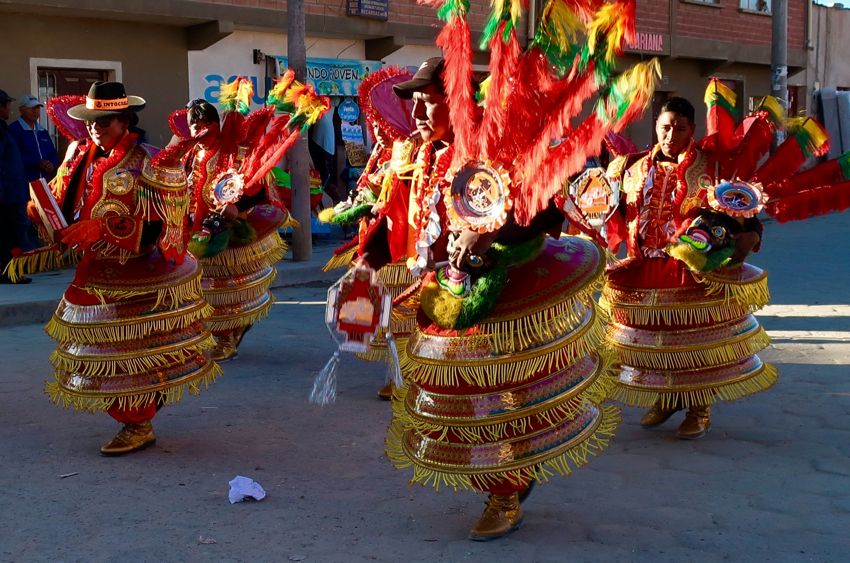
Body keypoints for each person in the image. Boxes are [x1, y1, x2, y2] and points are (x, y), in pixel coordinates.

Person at [362, 1, 658, 535]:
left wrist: (488, 235)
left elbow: (542, 214)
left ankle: (508, 490)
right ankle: (497, 482)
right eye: (420, 104)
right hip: (450, 291)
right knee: (460, 396)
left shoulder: (495, 151)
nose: (423, 112)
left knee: (506, 400)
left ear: (455, 102)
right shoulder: (424, 156)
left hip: (508, 294)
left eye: (431, 101)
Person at [15, 81, 221, 454]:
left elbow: (168, 224)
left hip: (138, 269)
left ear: (125, 121)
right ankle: (136, 417)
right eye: (92, 120)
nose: (96, 127)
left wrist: (107, 227)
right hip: (95, 268)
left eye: (105, 121)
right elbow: (64, 204)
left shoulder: (149, 160)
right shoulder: (80, 156)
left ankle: (138, 422)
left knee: (129, 352)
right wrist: (43, 216)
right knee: (99, 349)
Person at [602, 96, 772, 439]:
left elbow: (740, 211)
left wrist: (748, 235)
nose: (671, 135)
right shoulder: (628, 168)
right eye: (665, 127)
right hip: (642, 267)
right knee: (654, 343)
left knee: (693, 344)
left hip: (691, 269)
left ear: (691, 130)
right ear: (656, 126)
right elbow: (607, 210)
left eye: (679, 128)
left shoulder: (712, 169)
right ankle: (668, 398)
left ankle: (699, 408)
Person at [170, 76, 329, 361]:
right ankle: (214, 336)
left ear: (216, 124)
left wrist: (236, 209)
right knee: (205, 292)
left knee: (234, 293)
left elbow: (254, 186)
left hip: (235, 232)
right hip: (203, 232)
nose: (197, 128)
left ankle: (231, 336)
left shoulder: (236, 151)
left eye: (203, 122)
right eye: (193, 123)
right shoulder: (191, 153)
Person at [318, 66, 418, 399]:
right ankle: (401, 374)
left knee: (403, 318)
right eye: (371, 119)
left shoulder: (410, 153)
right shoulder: (383, 152)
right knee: (387, 318)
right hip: (378, 238)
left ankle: (406, 378)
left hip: (401, 246)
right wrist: (354, 207)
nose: (373, 125)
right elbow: (370, 191)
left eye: (378, 118)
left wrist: (372, 208)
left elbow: (396, 203)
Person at [0, 89, 31, 283]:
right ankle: (7, 272)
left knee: (11, 234)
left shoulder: (3, 129)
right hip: (6, 195)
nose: (9, 109)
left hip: (12, 193)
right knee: (7, 235)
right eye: (6, 104)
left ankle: (9, 271)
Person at [8, 95, 59, 182]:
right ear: (21, 110)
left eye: (37, 108)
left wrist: (52, 164)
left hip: (44, 182)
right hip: (23, 183)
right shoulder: (13, 130)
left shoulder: (43, 132)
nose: (35, 111)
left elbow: (52, 153)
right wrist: (36, 163)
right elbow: (11, 157)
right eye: (31, 108)